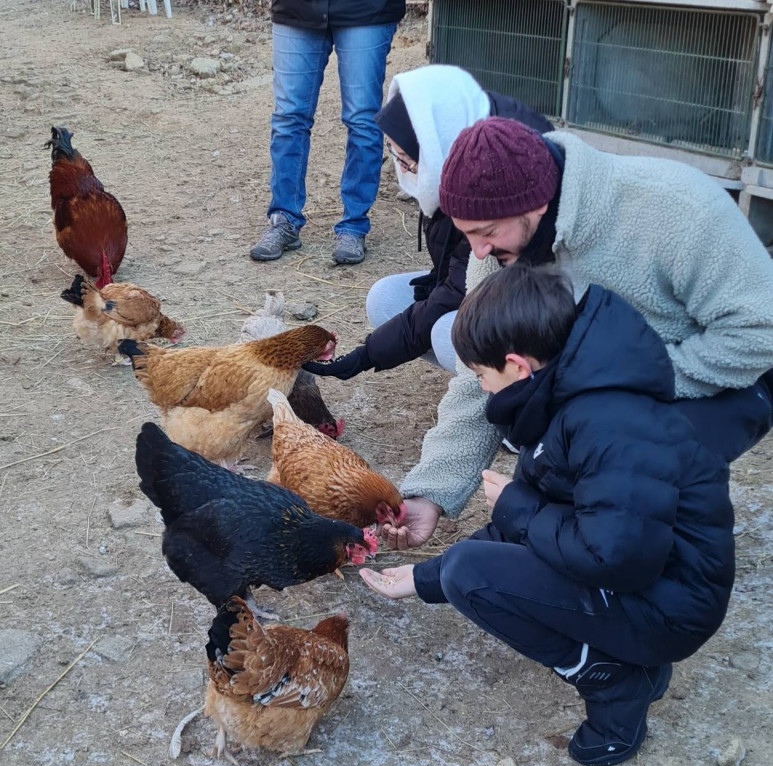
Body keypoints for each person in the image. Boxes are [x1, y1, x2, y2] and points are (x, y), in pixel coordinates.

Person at [361, 266, 736, 766]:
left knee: (470, 574)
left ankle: (617, 680)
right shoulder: (568, 395)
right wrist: (427, 577)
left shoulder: (611, 424)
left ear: (516, 365)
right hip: (653, 586)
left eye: (479, 377)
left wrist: (513, 511)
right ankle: (636, 660)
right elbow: (537, 519)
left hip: (670, 605)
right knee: (463, 568)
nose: (482, 389)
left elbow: (616, 558)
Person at [376, 116, 773, 551]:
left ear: (538, 205)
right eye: (467, 234)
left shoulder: (675, 209)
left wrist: (609, 387)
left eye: (486, 233)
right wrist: (432, 490)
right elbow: (479, 375)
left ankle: (656, 562)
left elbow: (759, 330)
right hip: (596, 385)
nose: (478, 251)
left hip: (724, 382)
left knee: (603, 452)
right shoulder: (495, 249)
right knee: (555, 454)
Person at [302, 65, 553, 377]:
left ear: (433, 144)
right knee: (385, 298)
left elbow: (460, 289)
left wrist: (366, 356)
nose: (405, 170)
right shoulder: (449, 136)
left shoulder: (493, 174)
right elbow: (459, 277)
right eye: (396, 157)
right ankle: (487, 376)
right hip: (483, 288)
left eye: (409, 160)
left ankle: (505, 383)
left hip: (535, 307)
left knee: (449, 333)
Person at [249, 0, 406, 266]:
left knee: (362, 119)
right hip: (296, 8)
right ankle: (284, 219)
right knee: (288, 117)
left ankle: (354, 226)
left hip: (366, 10)